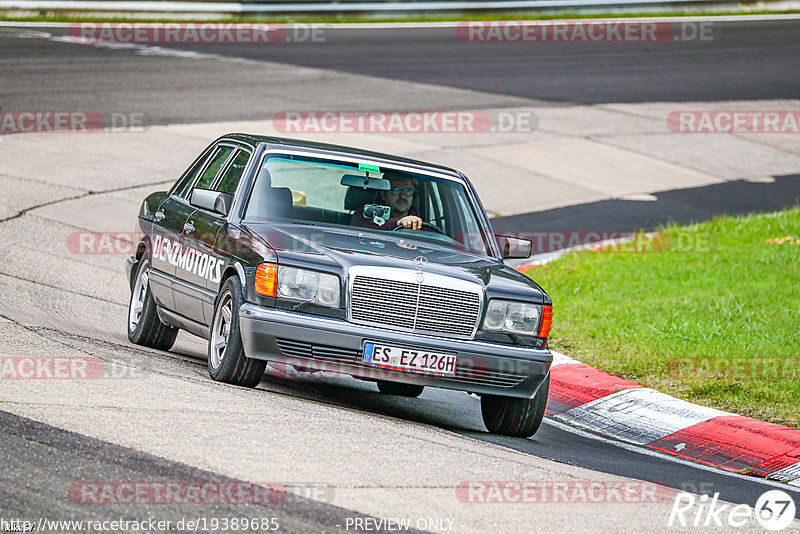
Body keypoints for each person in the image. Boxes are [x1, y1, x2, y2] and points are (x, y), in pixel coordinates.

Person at [350, 173, 424, 230]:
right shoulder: (364, 215)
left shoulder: (421, 220)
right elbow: (364, 230)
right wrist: (398, 223)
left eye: (408, 191)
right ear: (384, 194)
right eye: (396, 190)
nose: (403, 196)